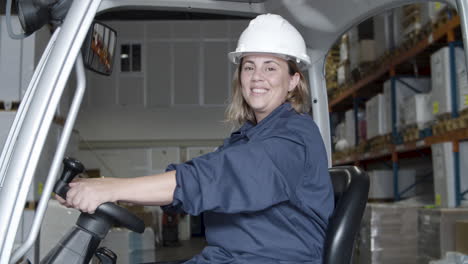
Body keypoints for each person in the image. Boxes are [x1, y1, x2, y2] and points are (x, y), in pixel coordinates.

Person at [57, 13, 334, 264]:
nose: (257, 77)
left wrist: (112, 188)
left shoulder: (294, 137)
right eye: (249, 67)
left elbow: (220, 178)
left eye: (270, 67)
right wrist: (108, 191)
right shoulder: (246, 137)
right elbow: (196, 182)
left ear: (294, 81)